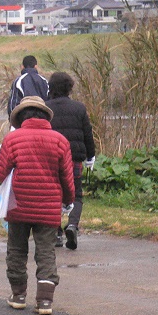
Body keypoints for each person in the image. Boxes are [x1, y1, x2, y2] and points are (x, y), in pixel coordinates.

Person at [0, 96, 75, 315]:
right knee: (46, 251)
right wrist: (68, 200)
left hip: (18, 205)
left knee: (17, 249)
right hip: (48, 207)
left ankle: (18, 295)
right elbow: (67, 177)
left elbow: (1, 173)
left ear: (21, 117)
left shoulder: (12, 139)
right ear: (44, 116)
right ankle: (45, 301)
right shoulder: (60, 140)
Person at [46, 72, 96, 250]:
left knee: (53, 196)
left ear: (50, 88)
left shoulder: (45, 108)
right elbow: (87, 134)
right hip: (74, 158)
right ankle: (73, 225)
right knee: (77, 195)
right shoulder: (79, 108)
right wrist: (91, 156)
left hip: (51, 159)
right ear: (69, 88)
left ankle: (57, 232)